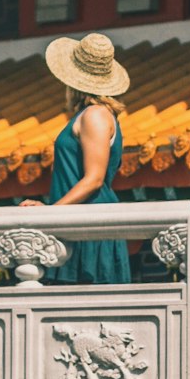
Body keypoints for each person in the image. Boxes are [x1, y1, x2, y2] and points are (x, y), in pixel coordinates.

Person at [22, 31, 131, 284]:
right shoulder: (93, 114)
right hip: (79, 217)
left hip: (90, 220)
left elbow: (94, 179)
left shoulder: (95, 115)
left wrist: (51, 213)